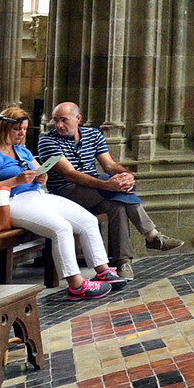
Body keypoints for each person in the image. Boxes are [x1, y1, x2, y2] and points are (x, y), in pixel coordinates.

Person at [0, 107, 118, 298]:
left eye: (24, 129)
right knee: (61, 228)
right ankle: (77, 285)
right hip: (10, 202)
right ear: (3, 127)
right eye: (16, 129)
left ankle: (103, 271)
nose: (21, 134)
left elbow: (38, 170)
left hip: (36, 196)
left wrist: (41, 177)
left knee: (87, 220)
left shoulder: (21, 150)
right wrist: (16, 181)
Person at [40, 101, 167, 270]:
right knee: (113, 187)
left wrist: (126, 176)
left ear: (78, 118)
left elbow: (109, 165)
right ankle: (152, 235)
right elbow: (69, 174)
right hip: (65, 192)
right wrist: (107, 185)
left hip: (94, 190)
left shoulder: (93, 134)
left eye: (64, 120)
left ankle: (123, 262)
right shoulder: (47, 140)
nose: (58, 125)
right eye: (56, 120)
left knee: (117, 206)